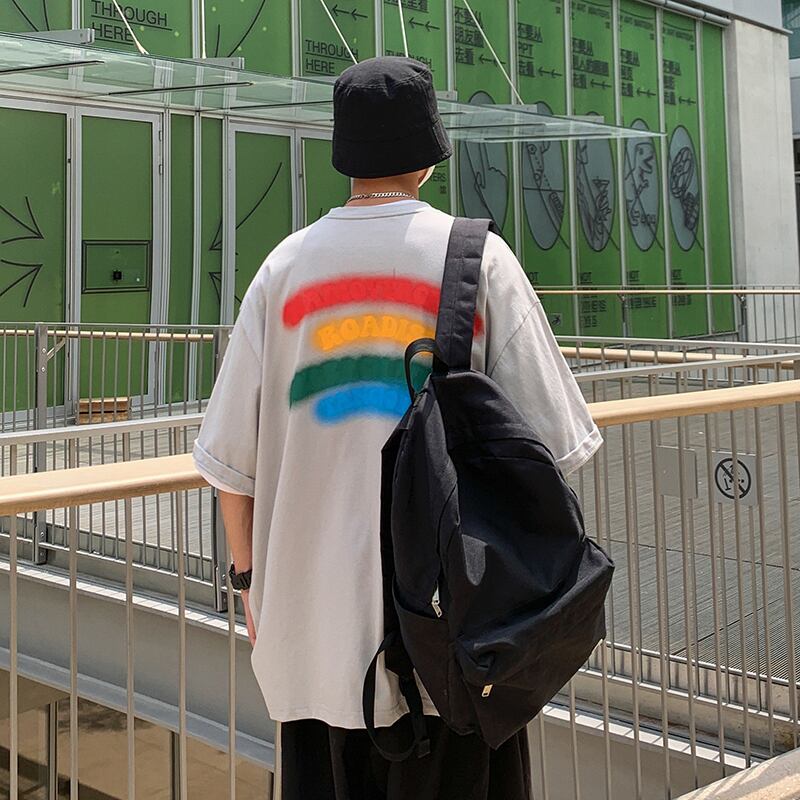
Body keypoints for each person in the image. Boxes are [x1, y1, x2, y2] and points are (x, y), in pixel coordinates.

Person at [192, 56, 602, 800]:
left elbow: (228, 464)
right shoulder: (479, 263)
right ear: (428, 158)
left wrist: (249, 580)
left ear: (345, 155)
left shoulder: (283, 270)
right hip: (457, 643)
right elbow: (553, 447)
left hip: (313, 647)